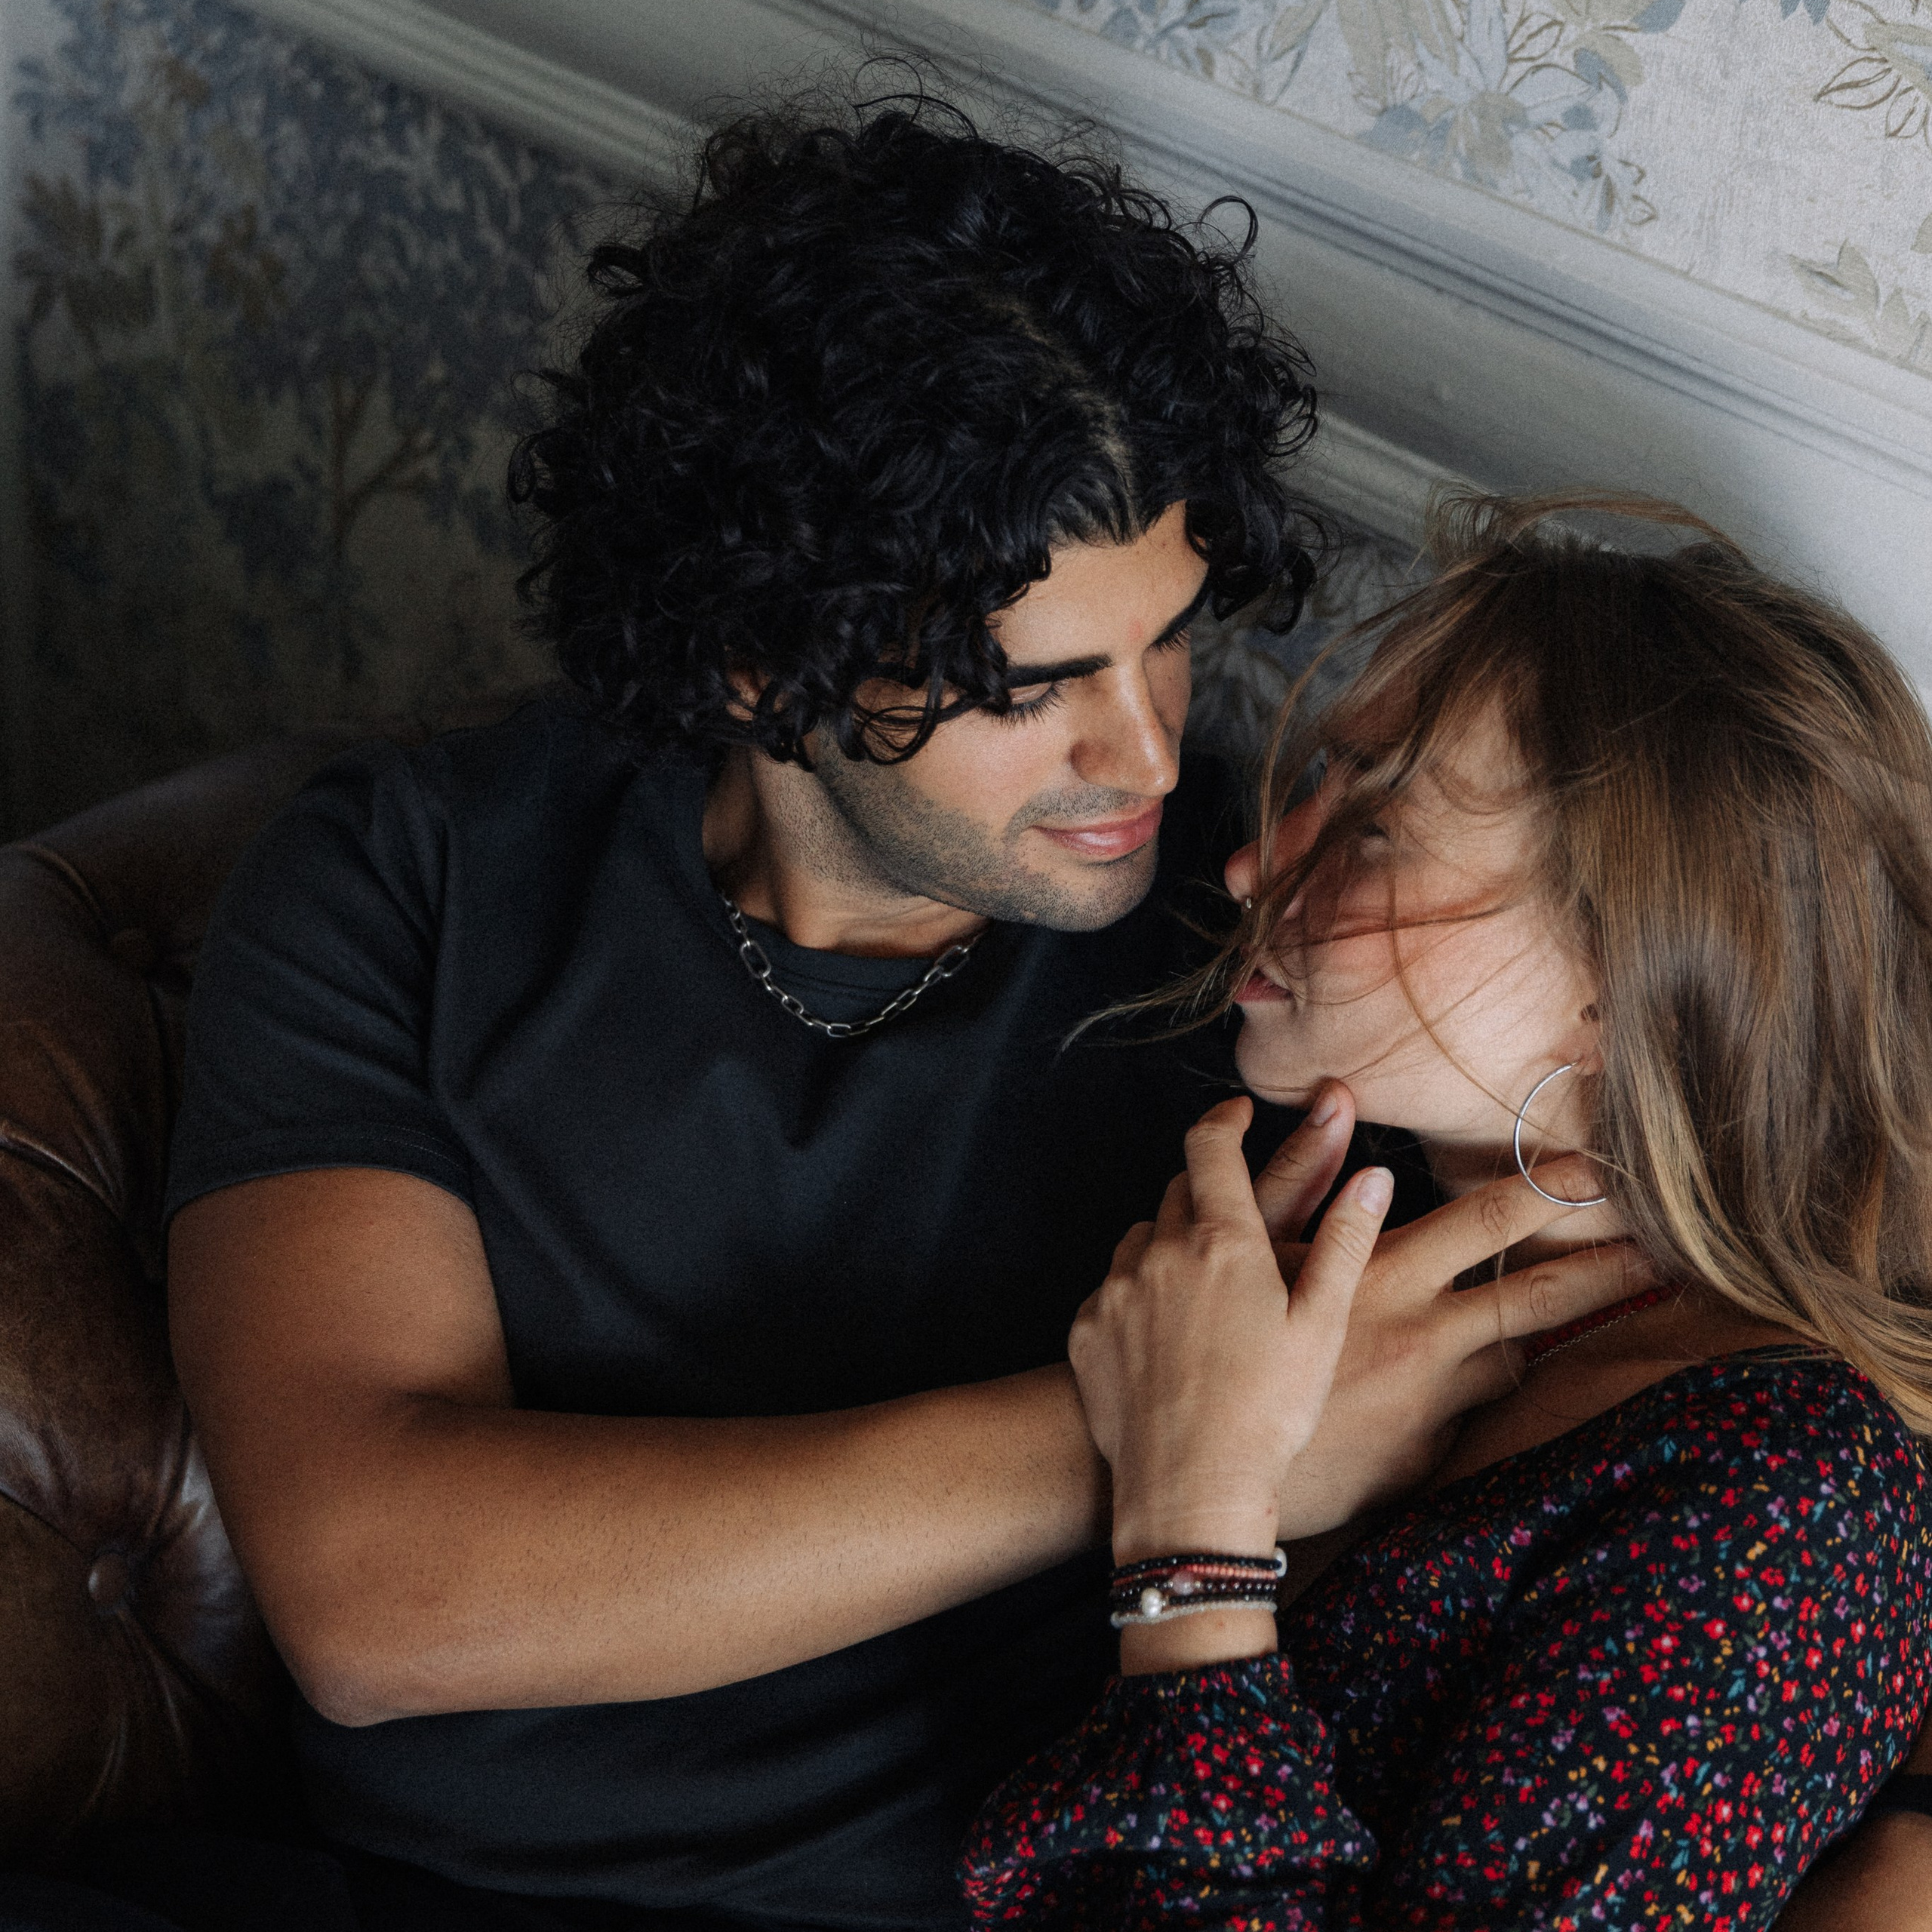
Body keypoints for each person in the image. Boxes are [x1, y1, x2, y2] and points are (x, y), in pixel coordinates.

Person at [112, 101, 1645, 1932]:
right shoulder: (408, 881)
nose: (1147, 752)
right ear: (762, 658)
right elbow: (375, 1599)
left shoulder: (1274, 961)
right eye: (1033, 684)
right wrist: (1175, 1444)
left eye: (1166, 634)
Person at [962, 492, 1932, 1927]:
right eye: (1314, 784)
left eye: (1376, 825)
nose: (1252, 864)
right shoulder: (1312, 1218)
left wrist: (1194, 1543)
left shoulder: (1778, 1507)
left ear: (1629, 972)